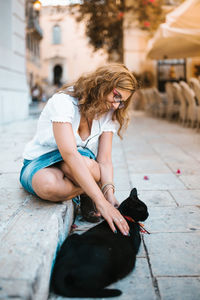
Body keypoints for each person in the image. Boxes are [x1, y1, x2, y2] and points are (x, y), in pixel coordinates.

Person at [20, 63, 138, 236]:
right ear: (102, 83)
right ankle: (86, 191)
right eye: (117, 96)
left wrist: (109, 194)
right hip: (42, 160)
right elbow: (69, 153)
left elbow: (104, 160)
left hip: (80, 161)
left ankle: (86, 186)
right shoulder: (64, 101)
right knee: (47, 185)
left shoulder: (108, 114)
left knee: (89, 167)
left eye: (121, 102)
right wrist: (101, 201)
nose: (115, 105)